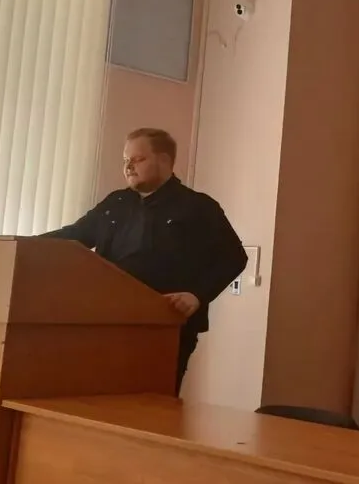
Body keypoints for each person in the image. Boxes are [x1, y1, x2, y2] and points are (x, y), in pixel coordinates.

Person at [41, 127, 247, 395]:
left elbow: (233, 257)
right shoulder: (115, 203)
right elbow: (73, 236)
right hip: (107, 321)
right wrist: (17, 242)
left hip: (165, 327)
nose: (128, 167)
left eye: (137, 159)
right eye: (125, 160)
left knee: (149, 407)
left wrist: (197, 295)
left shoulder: (197, 207)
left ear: (164, 160)